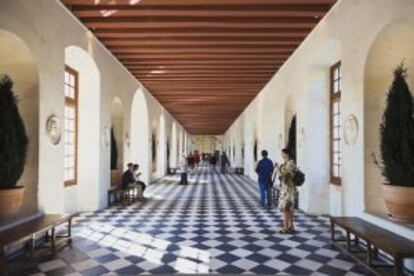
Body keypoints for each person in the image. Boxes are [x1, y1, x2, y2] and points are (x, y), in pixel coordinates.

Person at [274, 148, 297, 234]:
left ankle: (286, 228)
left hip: (288, 189)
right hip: (285, 188)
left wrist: (277, 167)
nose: (281, 155)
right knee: (289, 208)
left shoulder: (290, 163)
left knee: (286, 208)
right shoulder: (287, 163)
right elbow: (282, 174)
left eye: (282, 153)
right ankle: (291, 226)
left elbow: (283, 172)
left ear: (287, 154)